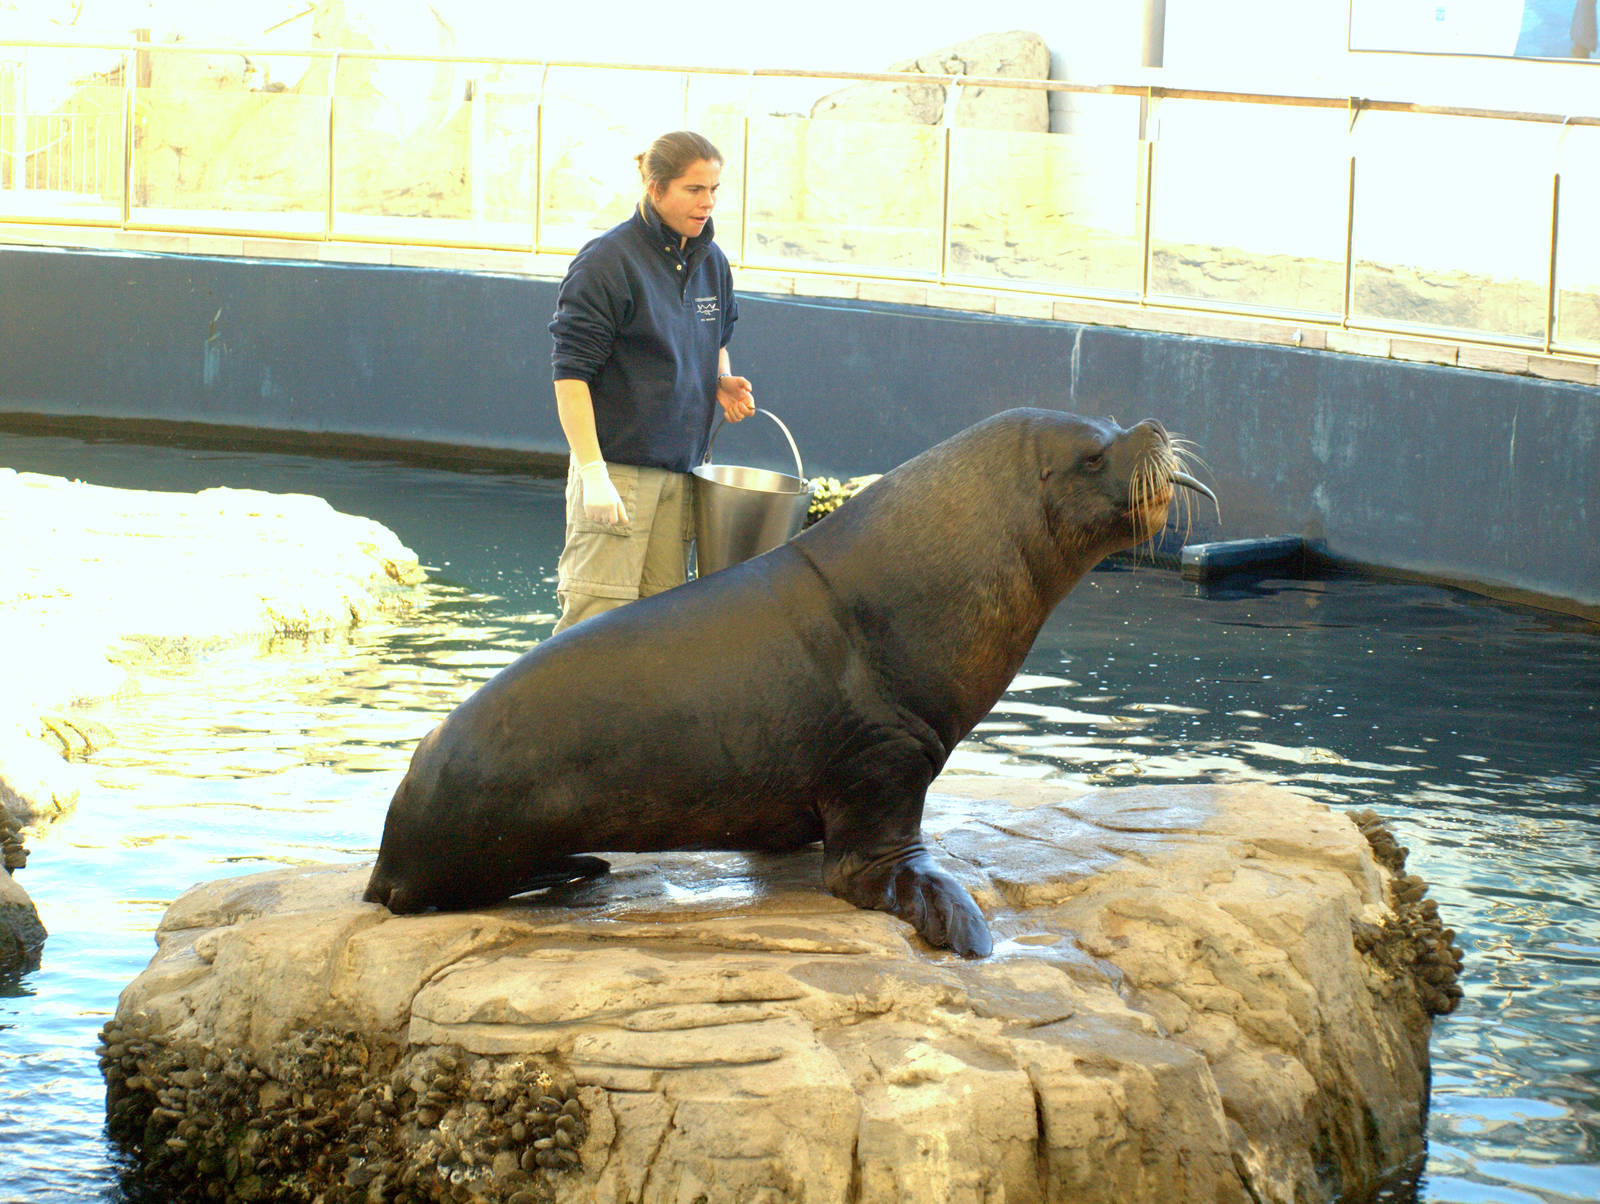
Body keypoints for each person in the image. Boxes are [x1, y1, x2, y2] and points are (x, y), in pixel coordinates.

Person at [547, 129, 755, 635]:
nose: (707, 203)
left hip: (681, 474)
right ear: (655, 187)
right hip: (617, 473)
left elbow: (715, 338)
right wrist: (593, 473)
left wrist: (720, 378)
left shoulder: (713, 262)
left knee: (660, 631)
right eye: (693, 189)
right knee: (591, 628)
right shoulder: (607, 261)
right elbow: (570, 374)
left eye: (714, 190)